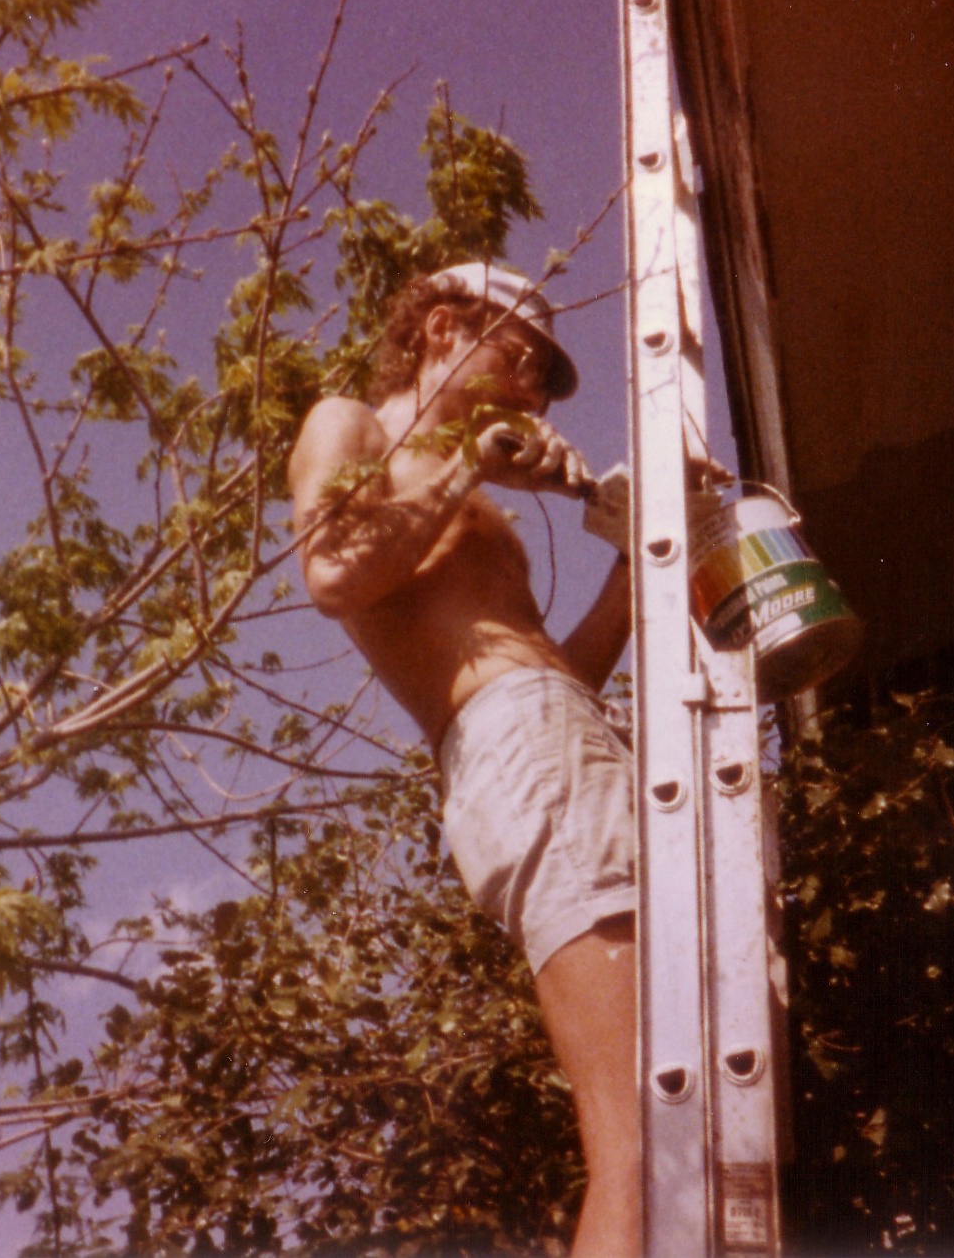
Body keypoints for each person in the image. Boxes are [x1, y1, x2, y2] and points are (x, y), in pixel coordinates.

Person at [289, 262, 640, 1258]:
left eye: (541, 380)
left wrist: (632, 557)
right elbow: (330, 569)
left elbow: (553, 675)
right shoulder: (350, 424)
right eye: (522, 361)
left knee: (684, 1082)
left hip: (558, 734)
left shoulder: (476, 508)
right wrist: (462, 469)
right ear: (442, 328)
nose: (531, 392)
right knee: (636, 1135)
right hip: (516, 746)